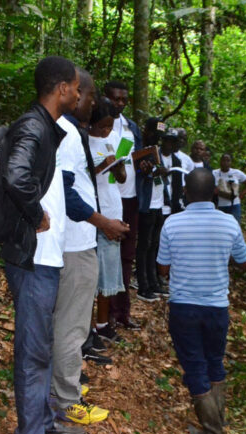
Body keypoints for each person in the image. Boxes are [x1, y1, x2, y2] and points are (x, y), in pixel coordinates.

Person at [0, 56, 85, 434]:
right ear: (62, 88)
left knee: (41, 345)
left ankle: (45, 422)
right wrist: (36, 215)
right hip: (33, 258)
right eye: (76, 86)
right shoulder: (34, 125)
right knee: (33, 352)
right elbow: (14, 175)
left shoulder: (46, 127)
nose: (80, 94)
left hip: (44, 258)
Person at [51, 69, 128, 427]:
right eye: (91, 94)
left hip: (72, 242)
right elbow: (66, 194)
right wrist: (103, 222)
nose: (94, 101)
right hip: (74, 245)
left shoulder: (67, 131)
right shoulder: (66, 133)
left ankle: (59, 390)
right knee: (72, 326)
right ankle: (66, 402)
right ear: (71, 92)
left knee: (66, 323)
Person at [156, 168, 246, 434]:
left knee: (195, 367)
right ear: (214, 193)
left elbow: (162, 269)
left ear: (185, 192)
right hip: (216, 308)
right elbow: (245, 263)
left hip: (183, 308)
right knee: (214, 362)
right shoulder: (229, 224)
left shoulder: (172, 224)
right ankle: (215, 429)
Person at [88, 97, 130, 346]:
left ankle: (103, 324)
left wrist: (117, 167)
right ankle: (86, 327)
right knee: (91, 275)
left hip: (114, 208)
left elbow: (122, 178)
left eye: (110, 127)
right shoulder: (83, 141)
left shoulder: (113, 141)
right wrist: (101, 165)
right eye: (102, 127)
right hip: (94, 214)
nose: (106, 131)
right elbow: (82, 177)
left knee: (109, 274)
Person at [104, 81, 145, 330]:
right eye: (115, 99)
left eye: (123, 100)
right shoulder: (98, 125)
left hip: (130, 197)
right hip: (108, 199)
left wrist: (145, 165)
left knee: (127, 256)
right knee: (108, 256)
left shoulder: (131, 127)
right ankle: (104, 314)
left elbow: (137, 158)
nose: (119, 103)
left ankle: (122, 312)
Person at [134, 117, 166, 302]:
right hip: (146, 204)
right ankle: (143, 284)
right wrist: (148, 172)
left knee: (154, 245)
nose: (157, 138)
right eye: (155, 133)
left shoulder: (158, 150)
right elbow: (136, 174)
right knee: (144, 245)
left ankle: (153, 282)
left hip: (158, 203)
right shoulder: (140, 150)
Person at [213, 154, 246, 225]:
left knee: (235, 225)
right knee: (223, 226)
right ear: (220, 161)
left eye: (228, 161)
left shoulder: (236, 173)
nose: (225, 163)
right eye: (223, 160)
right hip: (220, 206)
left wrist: (241, 196)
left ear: (231, 162)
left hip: (235, 205)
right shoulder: (214, 173)